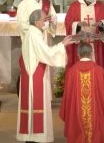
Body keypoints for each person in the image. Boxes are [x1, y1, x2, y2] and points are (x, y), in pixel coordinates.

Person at [17, 9, 74, 143]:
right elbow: (47, 54)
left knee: (32, 106)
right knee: (36, 104)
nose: (46, 22)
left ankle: (31, 136)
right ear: (37, 22)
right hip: (35, 75)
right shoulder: (34, 35)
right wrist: (62, 45)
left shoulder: (33, 33)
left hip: (32, 73)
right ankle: (36, 138)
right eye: (44, 20)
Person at [60, 42, 104, 143]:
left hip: (76, 115)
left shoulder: (71, 72)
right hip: (96, 116)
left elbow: (68, 98)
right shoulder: (99, 70)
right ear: (91, 53)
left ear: (78, 54)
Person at [65, 0, 104, 81]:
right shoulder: (74, 6)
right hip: (80, 45)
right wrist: (77, 24)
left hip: (96, 45)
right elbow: (68, 23)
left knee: (96, 71)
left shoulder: (100, 5)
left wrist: (101, 24)